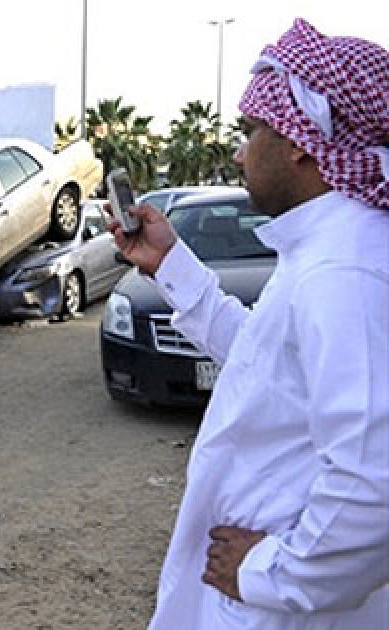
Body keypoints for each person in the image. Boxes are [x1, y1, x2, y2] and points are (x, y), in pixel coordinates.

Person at [108, 19, 389, 629]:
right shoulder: (325, 250)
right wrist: (171, 266)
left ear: (299, 140)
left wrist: (273, 573)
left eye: (251, 129)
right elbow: (268, 368)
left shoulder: (344, 270)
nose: (239, 151)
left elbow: (376, 480)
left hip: (282, 609)